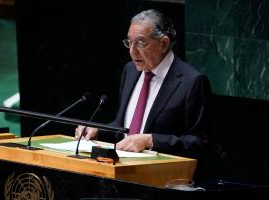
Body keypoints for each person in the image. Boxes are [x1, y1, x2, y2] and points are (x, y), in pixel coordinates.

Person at [75, 9, 212, 181]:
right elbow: (124, 126)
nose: (132, 51)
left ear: (164, 43)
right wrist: (97, 131)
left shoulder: (192, 82)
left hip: (164, 182)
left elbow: (199, 142)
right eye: (129, 42)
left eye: (141, 43)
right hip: (122, 175)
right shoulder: (130, 71)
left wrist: (152, 140)